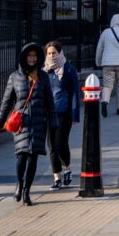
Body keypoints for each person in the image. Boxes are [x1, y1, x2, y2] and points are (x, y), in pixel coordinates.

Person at [0, 42, 57, 206]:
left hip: (38, 122)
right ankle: (19, 183)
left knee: (33, 157)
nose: (32, 58)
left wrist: (54, 121)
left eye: (35, 56)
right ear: (24, 57)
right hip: (22, 122)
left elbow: (49, 101)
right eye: (29, 55)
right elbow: (6, 102)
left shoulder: (43, 76)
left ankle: (27, 191)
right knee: (21, 156)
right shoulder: (14, 77)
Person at [43, 40, 80, 190]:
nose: (52, 56)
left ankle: (67, 168)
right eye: (49, 53)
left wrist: (74, 115)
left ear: (60, 53)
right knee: (51, 146)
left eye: (54, 53)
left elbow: (74, 93)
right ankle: (57, 177)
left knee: (60, 144)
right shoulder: (44, 71)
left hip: (63, 113)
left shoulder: (68, 69)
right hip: (48, 113)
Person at [95, 14, 119, 118]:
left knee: (107, 85)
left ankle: (104, 101)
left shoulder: (105, 33)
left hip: (107, 63)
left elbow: (99, 49)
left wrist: (98, 62)